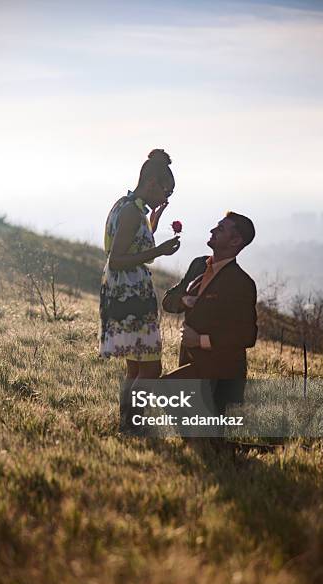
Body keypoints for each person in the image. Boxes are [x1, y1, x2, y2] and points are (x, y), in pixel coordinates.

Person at [99, 149, 180, 404]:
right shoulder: (133, 212)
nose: (165, 198)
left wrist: (151, 225)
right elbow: (118, 259)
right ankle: (133, 423)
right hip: (131, 295)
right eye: (166, 192)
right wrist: (160, 250)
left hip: (122, 291)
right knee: (150, 369)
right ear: (152, 183)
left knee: (135, 367)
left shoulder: (128, 206)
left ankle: (128, 423)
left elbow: (129, 245)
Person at [162, 212, 257, 421]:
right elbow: (168, 301)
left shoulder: (241, 283)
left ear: (236, 241)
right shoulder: (198, 265)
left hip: (220, 372)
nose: (212, 230)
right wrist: (184, 301)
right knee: (204, 440)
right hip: (191, 363)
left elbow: (247, 336)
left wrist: (201, 340)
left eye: (221, 229)